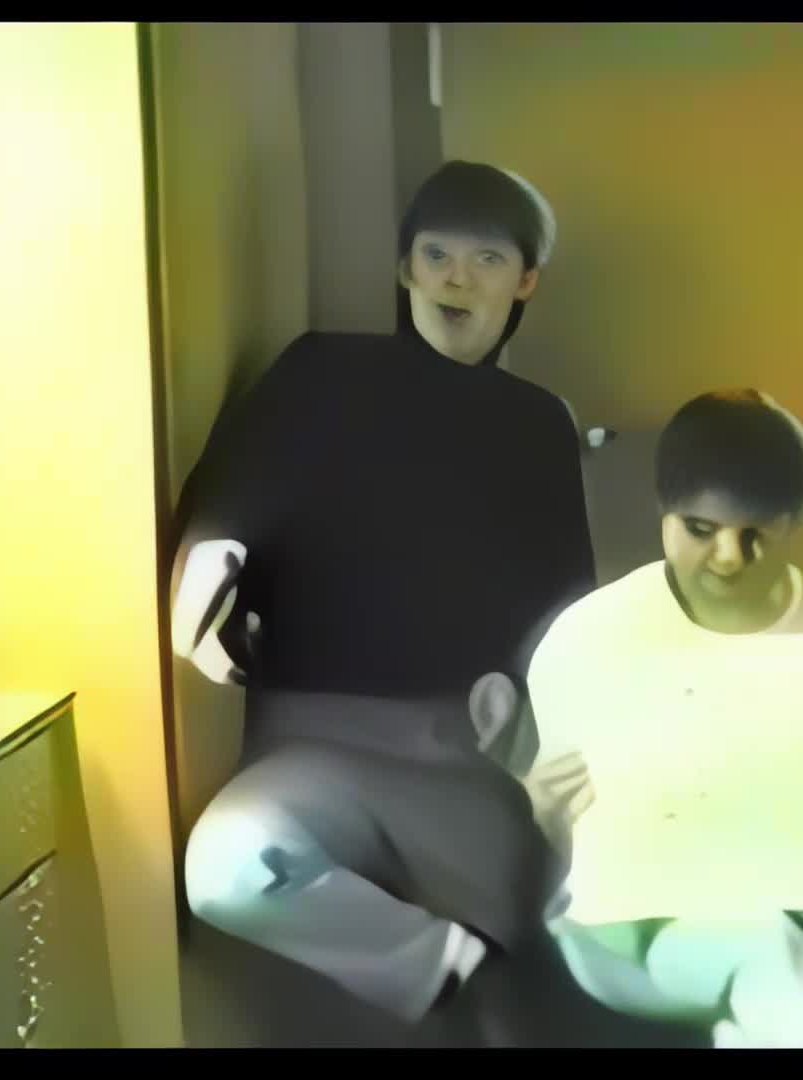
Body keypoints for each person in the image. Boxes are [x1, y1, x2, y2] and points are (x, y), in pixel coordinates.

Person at [173, 161, 597, 1031]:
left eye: (485, 259)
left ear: (525, 281)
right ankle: (451, 970)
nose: (455, 279)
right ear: (405, 268)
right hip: (315, 752)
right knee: (232, 868)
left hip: (469, 766)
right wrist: (210, 555)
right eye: (436, 255)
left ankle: (493, 987)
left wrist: (533, 713)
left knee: (571, 957)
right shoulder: (321, 371)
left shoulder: (539, 422)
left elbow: (568, 608)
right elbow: (235, 497)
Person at [520, 390, 803, 1049]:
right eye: (701, 529)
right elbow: (543, 848)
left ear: (790, 521)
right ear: (665, 517)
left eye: (755, 533)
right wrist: (538, 812)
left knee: (787, 965)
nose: (729, 556)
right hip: (626, 934)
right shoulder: (589, 635)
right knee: (785, 962)